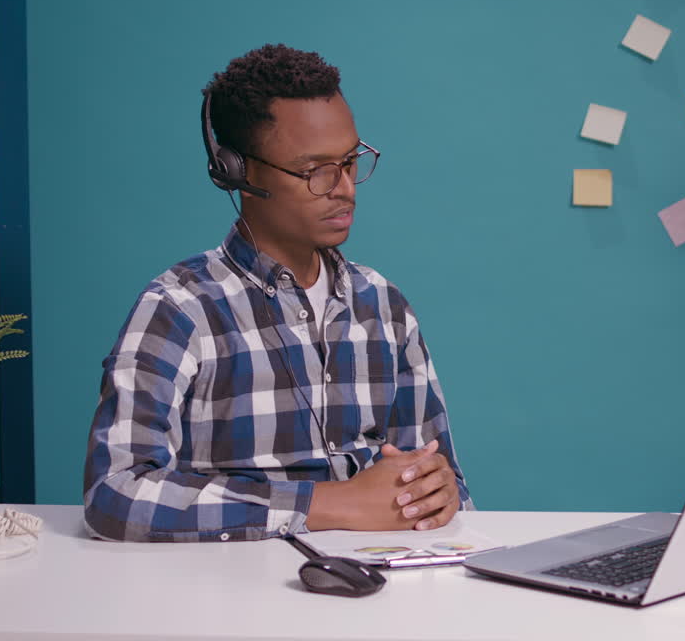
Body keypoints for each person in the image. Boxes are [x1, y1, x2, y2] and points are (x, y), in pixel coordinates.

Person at [83, 44, 472, 542]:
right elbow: (115, 493)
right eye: (315, 171)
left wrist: (439, 489)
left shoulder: (383, 305)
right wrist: (326, 503)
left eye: (350, 161)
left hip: (377, 574)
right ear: (236, 171)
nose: (345, 188)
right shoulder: (179, 309)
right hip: (236, 581)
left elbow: (441, 480)